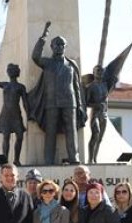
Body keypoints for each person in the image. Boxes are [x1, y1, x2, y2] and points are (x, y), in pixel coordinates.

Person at [29, 22, 86, 164]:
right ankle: (48, 160)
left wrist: (80, 105)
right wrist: (44, 35)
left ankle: (74, 157)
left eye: (62, 45)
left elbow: (77, 86)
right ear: (52, 47)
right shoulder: (47, 63)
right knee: (50, 133)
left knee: (71, 131)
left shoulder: (72, 64)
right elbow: (35, 57)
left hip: (69, 101)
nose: (59, 47)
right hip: (51, 101)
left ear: (65, 47)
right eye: (56, 44)